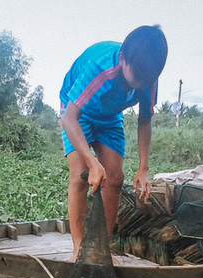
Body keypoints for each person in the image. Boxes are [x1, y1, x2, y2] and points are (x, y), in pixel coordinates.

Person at [60, 25, 167, 261]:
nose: (139, 85)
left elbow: (144, 121)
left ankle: (101, 247)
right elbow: (69, 118)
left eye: (145, 80)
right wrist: (91, 161)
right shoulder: (100, 69)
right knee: (80, 176)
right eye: (135, 77)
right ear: (123, 59)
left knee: (115, 178)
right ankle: (79, 248)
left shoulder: (149, 77)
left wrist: (144, 168)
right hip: (78, 113)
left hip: (110, 117)